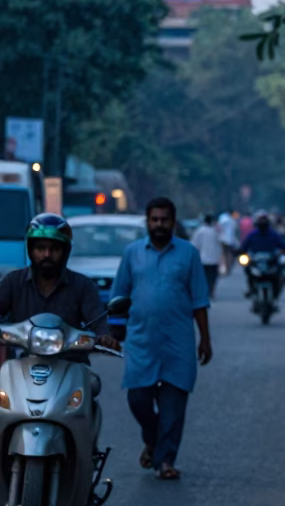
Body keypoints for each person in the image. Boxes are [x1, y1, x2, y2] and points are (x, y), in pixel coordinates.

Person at [111, 197, 213, 481]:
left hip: (178, 342)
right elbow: (120, 296)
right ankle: (153, 440)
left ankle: (165, 460)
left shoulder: (188, 253)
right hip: (142, 341)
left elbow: (199, 300)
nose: (159, 225)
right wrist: (113, 334)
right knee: (138, 399)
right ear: (147, 221)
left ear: (173, 221)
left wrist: (205, 339)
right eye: (154, 219)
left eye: (164, 219)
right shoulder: (132, 253)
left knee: (173, 408)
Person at [0, 213, 121, 353]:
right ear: (31, 250)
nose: (47, 254)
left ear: (65, 252)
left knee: (93, 376)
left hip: (71, 363)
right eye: (41, 248)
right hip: (21, 362)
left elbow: (98, 322)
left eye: (55, 249)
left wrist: (105, 337)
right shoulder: (13, 281)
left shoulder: (82, 285)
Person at [239, 212, 285, 300]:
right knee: (248, 270)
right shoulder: (253, 235)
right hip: (256, 263)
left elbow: (283, 246)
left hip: (271, 262)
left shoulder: (273, 235)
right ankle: (251, 289)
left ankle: (275, 293)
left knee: (279, 275)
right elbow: (244, 247)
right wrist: (240, 252)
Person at [192, 214, 222, 299]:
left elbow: (195, 244)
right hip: (214, 259)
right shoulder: (215, 231)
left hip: (203, 259)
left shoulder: (200, 231)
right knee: (212, 277)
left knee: (204, 277)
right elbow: (219, 245)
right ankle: (211, 291)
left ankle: (206, 291)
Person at [216, 211, 239, 275]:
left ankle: (225, 268)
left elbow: (219, 228)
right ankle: (227, 268)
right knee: (229, 255)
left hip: (223, 240)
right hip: (230, 241)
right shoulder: (232, 221)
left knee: (224, 255)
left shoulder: (223, 219)